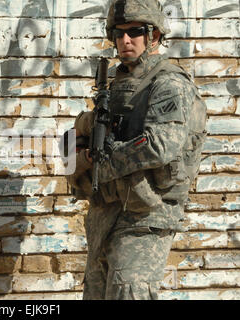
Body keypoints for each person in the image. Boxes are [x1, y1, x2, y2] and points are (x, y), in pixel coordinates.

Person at [65, 0, 207, 299]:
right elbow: (81, 137)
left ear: (154, 35)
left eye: (135, 32)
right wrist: (82, 151)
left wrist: (101, 162)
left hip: (145, 217)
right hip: (106, 214)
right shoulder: (117, 84)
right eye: (118, 33)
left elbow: (160, 145)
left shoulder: (168, 83)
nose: (125, 40)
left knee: (128, 292)